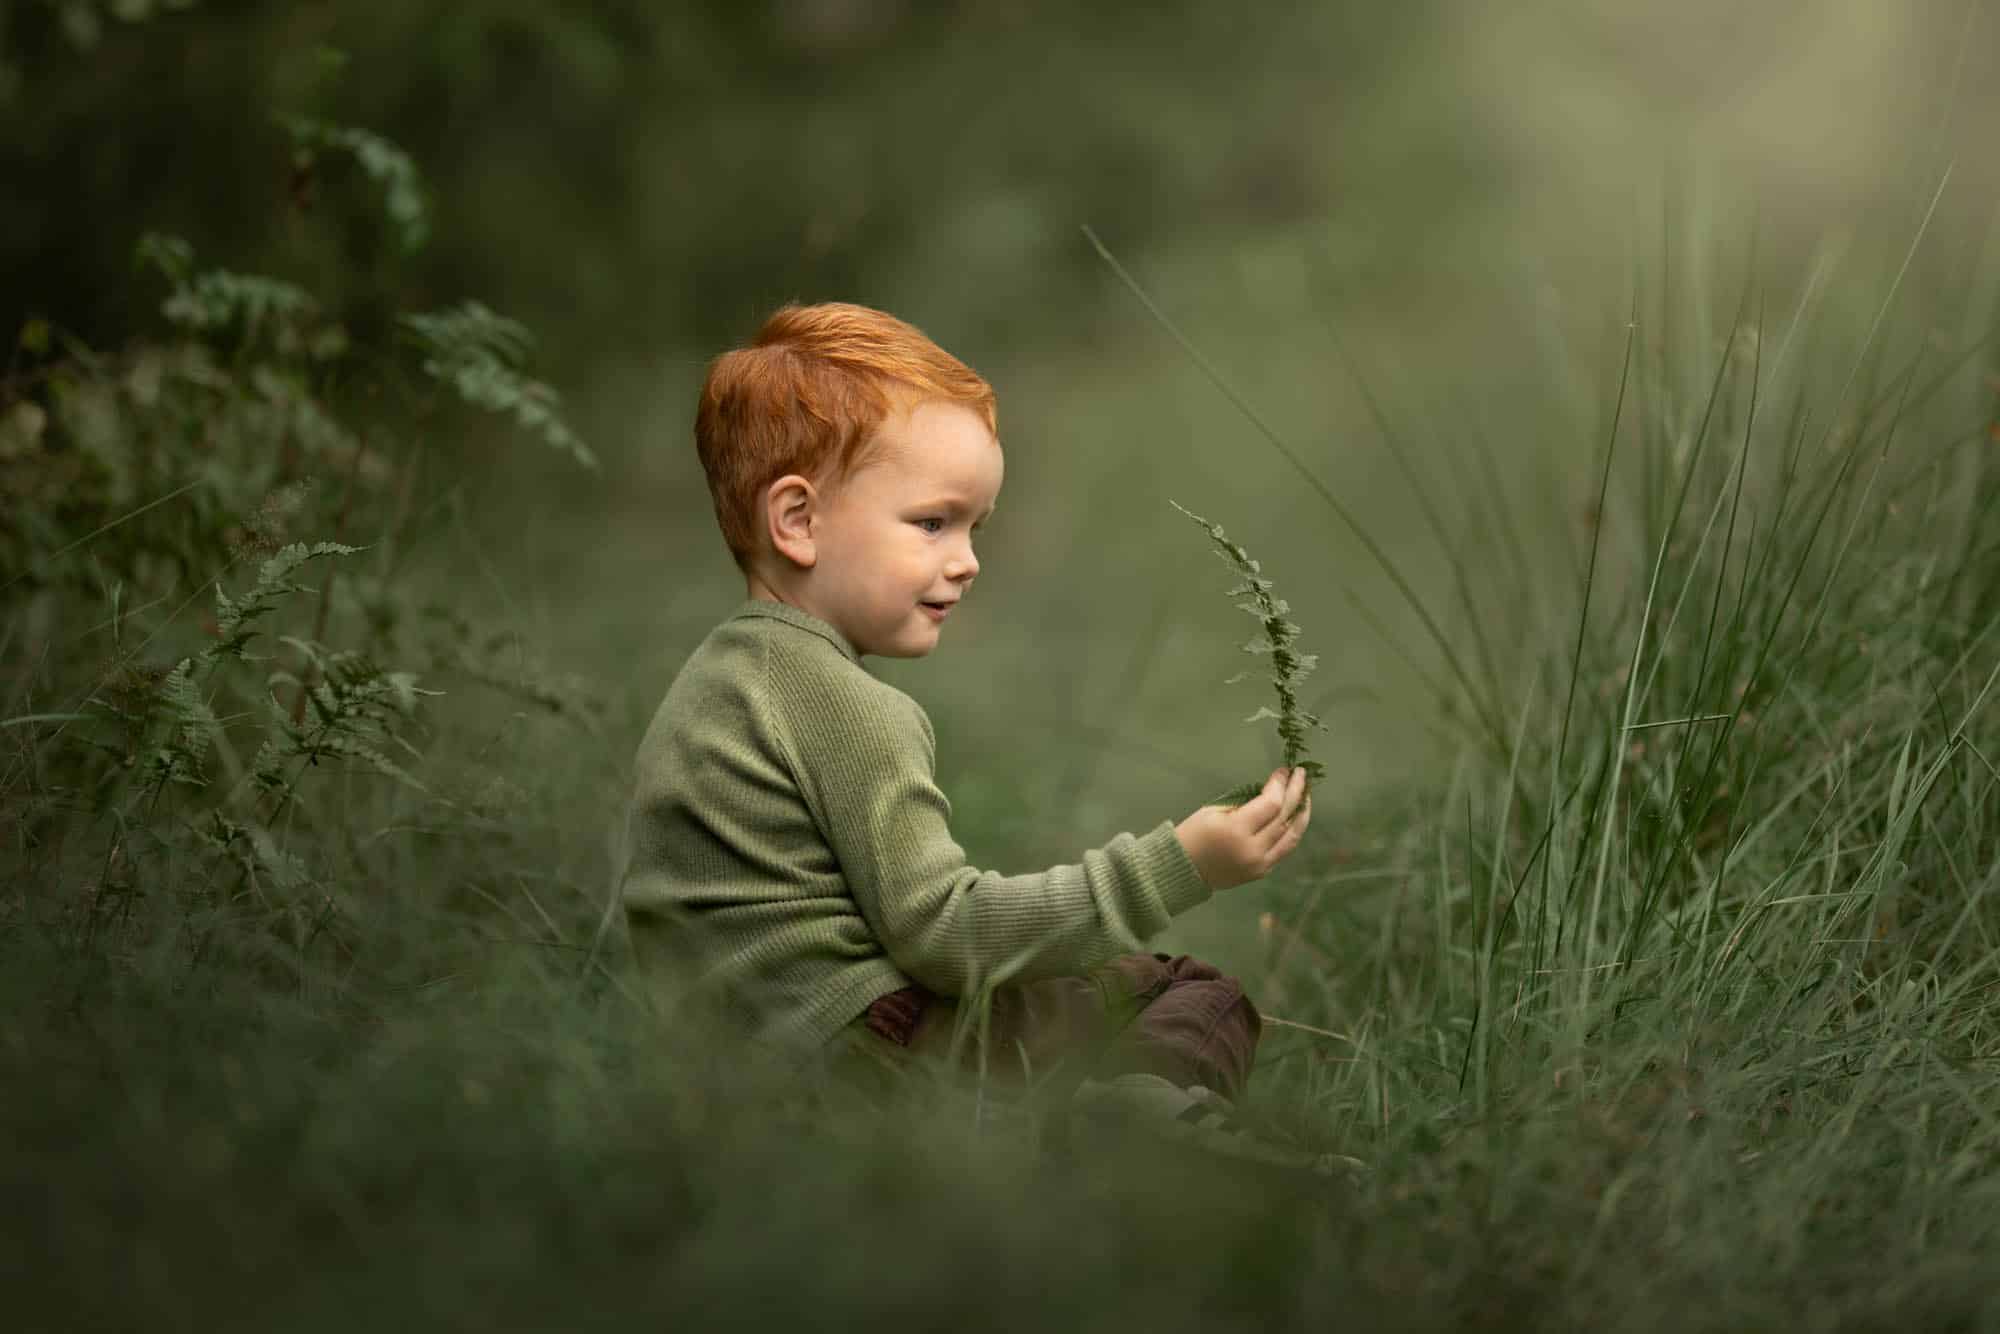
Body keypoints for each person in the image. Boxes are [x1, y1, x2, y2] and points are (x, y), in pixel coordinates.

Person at [619, 301, 1322, 1167]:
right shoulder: (851, 707)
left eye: (973, 528)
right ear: (797, 521)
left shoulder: (706, 687)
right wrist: (1183, 862)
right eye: (932, 522)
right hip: (874, 1053)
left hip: (736, 1077)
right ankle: (1137, 1141)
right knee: (1186, 992)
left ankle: (1083, 1126)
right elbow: (949, 940)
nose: (967, 559)